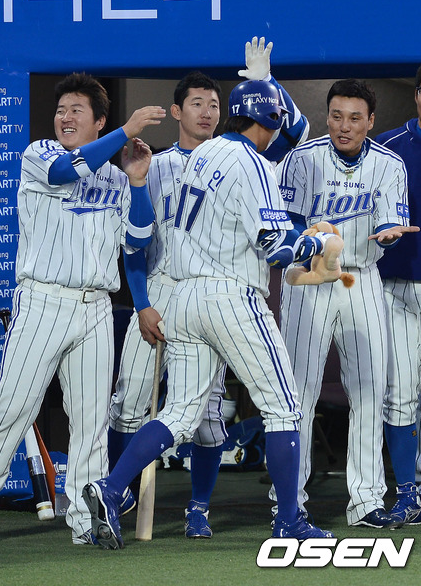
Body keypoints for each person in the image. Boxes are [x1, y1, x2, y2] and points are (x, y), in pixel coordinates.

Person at [82, 77, 338, 550]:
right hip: (230, 295)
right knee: (283, 407)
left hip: (182, 299)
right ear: (269, 120)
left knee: (180, 414)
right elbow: (276, 248)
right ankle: (289, 520)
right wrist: (318, 242)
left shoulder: (203, 155)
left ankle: (111, 488)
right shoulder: (253, 163)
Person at [0, 72, 166, 546]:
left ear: (97, 120)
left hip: (96, 306)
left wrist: (138, 182)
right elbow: (66, 172)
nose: (65, 117)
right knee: (13, 408)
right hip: (43, 300)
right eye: (61, 110)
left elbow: (137, 241)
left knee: (90, 422)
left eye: (76, 110)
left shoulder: (116, 176)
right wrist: (126, 131)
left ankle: (86, 522)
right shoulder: (40, 153)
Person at [275, 78, 419, 529]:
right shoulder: (303, 158)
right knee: (298, 392)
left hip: (362, 277)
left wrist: (391, 235)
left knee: (370, 391)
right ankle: (290, 502)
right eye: (337, 116)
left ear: (370, 121)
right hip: (310, 277)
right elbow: (286, 222)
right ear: (327, 116)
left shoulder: (389, 164)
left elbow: (393, 223)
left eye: (355, 118)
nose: (344, 126)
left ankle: (366, 500)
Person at [375, 57, 421, 523]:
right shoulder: (387, 148)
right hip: (392, 288)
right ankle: (407, 491)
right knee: (399, 395)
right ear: (416, 94)